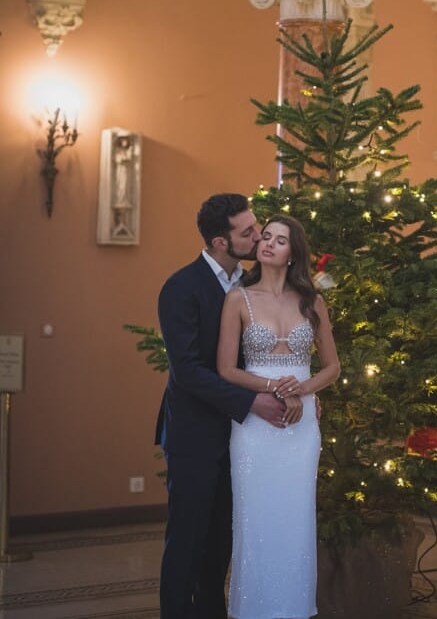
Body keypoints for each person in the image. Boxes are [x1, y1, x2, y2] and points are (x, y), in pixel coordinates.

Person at [156, 193, 287, 619]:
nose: (257, 236)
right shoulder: (180, 287)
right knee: (187, 542)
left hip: (240, 437)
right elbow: (189, 371)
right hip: (193, 434)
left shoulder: (252, 285)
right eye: (246, 231)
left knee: (221, 544)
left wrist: (296, 392)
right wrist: (252, 402)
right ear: (219, 242)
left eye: (256, 227)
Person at [218, 214, 340, 619]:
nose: (268, 243)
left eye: (279, 240)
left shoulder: (312, 300)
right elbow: (226, 370)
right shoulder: (239, 298)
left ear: (293, 253)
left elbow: (332, 367)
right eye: (264, 236)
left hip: (301, 427)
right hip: (254, 427)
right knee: (254, 521)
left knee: (295, 519)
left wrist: (303, 391)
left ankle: (293, 610)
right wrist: (273, 388)